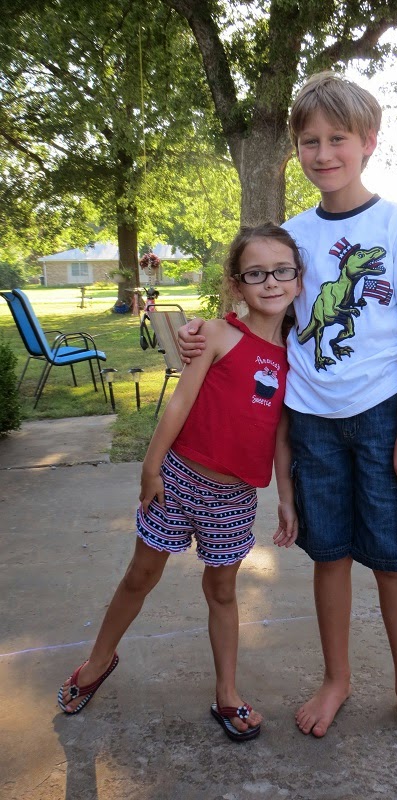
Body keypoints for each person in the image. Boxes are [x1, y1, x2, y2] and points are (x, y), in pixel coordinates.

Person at [178, 72, 397, 758]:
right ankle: (337, 679)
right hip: (310, 422)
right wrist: (201, 335)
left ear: (369, 142)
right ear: (296, 149)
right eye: (310, 141)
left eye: (338, 139)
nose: (324, 153)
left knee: (393, 562)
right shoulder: (295, 236)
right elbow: (261, 304)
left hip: (383, 418)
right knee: (328, 556)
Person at [57, 223, 302, 743]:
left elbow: (283, 433)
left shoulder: (296, 357)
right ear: (236, 283)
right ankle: (98, 660)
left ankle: (227, 693)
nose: (271, 282)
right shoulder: (215, 334)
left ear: (299, 280)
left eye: (283, 271)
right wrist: (151, 467)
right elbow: (180, 402)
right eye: (256, 273)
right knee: (140, 575)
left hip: (235, 497)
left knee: (222, 590)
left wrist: (286, 497)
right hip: (178, 479)